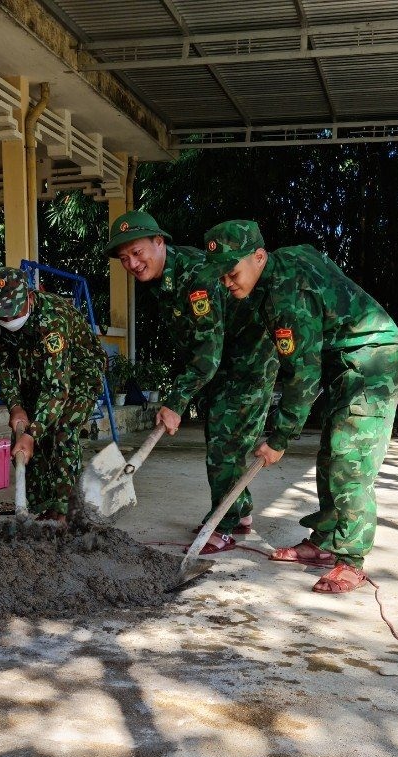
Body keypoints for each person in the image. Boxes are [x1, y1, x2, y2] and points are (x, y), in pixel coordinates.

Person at [202, 220, 398, 593]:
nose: (227, 282)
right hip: (346, 363)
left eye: (232, 272)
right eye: (221, 276)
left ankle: (351, 560)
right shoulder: (283, 265)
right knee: (331, 455)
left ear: (259, 257)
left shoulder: (284, 297)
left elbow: (302, 374)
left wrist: (280, 437)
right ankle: (325, 543)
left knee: (350, 460)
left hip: (374, 360)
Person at [107, 211, 277, 554]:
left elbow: (207, 354)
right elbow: (200, 345)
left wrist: (175, 401)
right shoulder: (163, 277)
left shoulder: (196, 275)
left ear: (159, 242)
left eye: (138, 253)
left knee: (224, 443)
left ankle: (224, 525)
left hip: (247, 362)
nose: (133, 264)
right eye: (125, 259)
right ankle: (238, 512)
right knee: (222, 437)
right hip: (221, 361)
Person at [0, 267, 105, 522]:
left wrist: (32, 432)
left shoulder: (52, 318)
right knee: (23, 443)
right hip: (34, 374)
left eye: (14, 310)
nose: (8, 318)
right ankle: (41, 506)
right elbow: (2, 366)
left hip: (78, 375)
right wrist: (16, 406)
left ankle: (64, 511)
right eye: (1, 314)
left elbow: (58, 388)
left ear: (29, 296)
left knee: (61, 430)